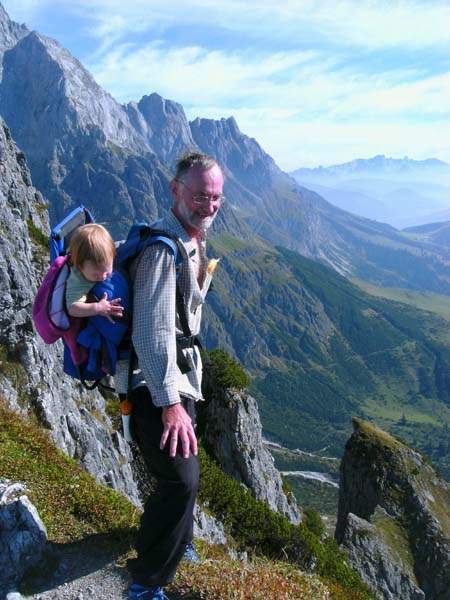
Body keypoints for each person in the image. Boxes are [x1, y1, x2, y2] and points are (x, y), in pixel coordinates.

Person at [126, 153, 225, 600]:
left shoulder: (192, 240)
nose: (209, 205)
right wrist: (169, 406)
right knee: (179, 479)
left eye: (217, 198)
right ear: (175, 190)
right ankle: (146, 584)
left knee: (187, 473)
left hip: (180, 377)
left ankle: (178, 544)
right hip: (156, 385)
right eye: (200, 195)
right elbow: (151, 332)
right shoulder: (160, 251)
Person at [66, 223, 124, 322]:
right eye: (95, 275)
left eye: (106, 271)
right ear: (80, 268)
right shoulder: (78, 279)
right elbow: (72, 308)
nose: (102, 277)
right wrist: (97, 308)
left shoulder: (96, 263)